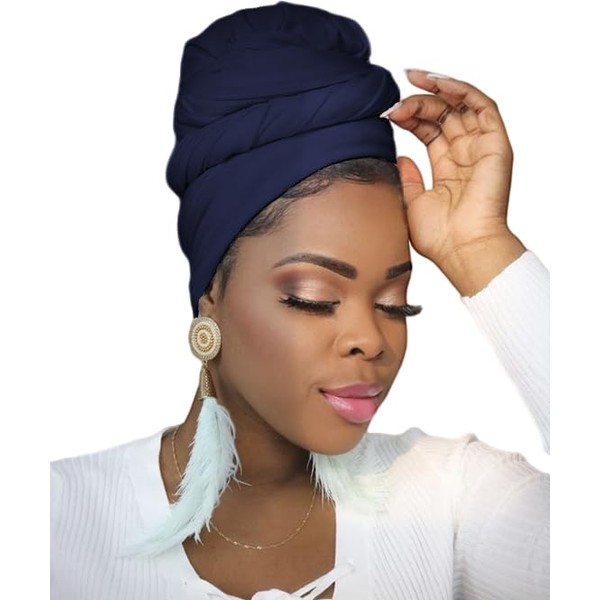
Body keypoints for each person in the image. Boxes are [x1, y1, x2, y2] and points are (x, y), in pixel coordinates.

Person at [50, 2, 549, 599]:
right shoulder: (50, 524)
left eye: (395, 302)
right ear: (211, 293)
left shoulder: (457, 503)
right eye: (313, 298)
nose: (371, 339)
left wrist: (480, 248)